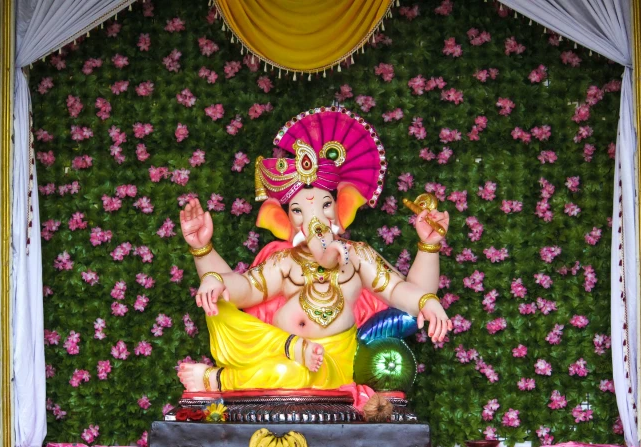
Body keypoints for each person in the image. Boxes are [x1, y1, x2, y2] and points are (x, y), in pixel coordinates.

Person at [177, 107, 451, 392]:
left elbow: (397, 291)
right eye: (299, 209)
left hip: (329, 364)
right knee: (218, 305)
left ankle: (217, 380)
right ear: (290, 219)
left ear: (336, 208)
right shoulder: (285, 261)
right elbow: (244, 288)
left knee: (291, 374)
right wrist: (208, 263)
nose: (314, 218)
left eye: (325, 205)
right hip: (277, 351)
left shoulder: (356, 256)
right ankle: (290, 346)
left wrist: (425, 298)